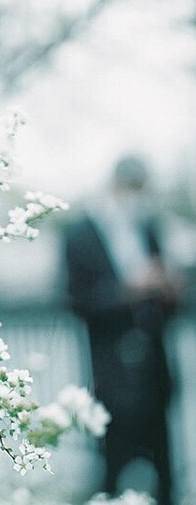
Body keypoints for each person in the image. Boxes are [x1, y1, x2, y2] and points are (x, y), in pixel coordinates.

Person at [63, 154, 183, 505]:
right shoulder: (80, 234)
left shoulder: (149, 227)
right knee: (110, 475)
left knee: (166, 478)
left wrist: (170, 289)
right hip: (111, 377)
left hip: (155, 374)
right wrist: (129, 291)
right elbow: (76, 301)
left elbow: (170, 303)